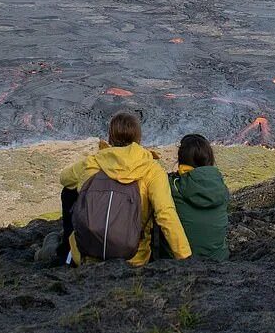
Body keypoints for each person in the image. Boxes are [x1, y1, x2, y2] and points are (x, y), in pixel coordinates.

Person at [58, 112, 191, 266]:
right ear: (138, 138)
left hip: (87, 255)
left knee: (68, 192)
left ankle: (66, 248)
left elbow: (64, 179)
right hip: (133, 258)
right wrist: (185, 258)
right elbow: (166, 213)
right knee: (157, 207)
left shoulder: (94, 162)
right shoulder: (151, 170)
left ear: (110, 137)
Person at [153, 134, 229, 261]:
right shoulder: (221, 187)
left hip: (178, 261)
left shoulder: (171, 186)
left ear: (181, 158)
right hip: (219, 259)